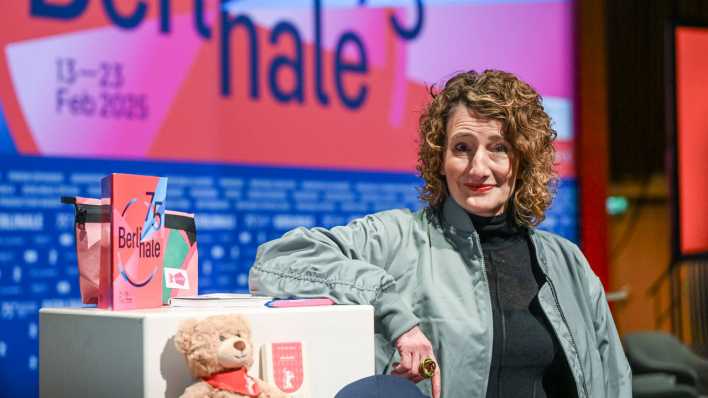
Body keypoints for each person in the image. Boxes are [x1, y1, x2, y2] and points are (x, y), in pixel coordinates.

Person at [248, 70, 632, 398]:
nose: (478, 168)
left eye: (498, 148)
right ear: (440, 158)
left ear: (523, 158)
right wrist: (392, 309)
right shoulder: (398, 238)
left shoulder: (567, 261)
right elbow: (277, 261)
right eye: (462, 148)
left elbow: (613, 379)